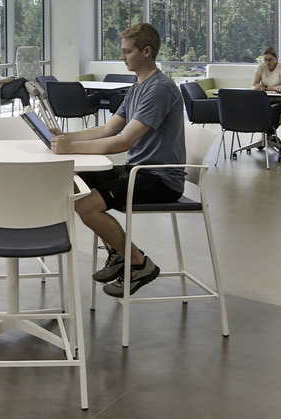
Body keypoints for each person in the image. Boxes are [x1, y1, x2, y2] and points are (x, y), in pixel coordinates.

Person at [51, 23, 185, 297]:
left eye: (127, 52)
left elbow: (123, 141)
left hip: (159, 178)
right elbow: (106, 129)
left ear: (146, 52)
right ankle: (119, 252)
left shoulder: (160, 89)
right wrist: (66, 136)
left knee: (87, 206)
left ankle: (139, 263)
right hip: (137, 171)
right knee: (74, 184)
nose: (122, 57)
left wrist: (70, 148)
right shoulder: (137, 88)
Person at [253, 47, 281, 146]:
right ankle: (271, 137)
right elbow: (255, 83)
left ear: (276, 59)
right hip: (265, 99)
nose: (267, 62)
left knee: (274, 111)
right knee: (257, 108)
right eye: (265, 60)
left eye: (270, 60)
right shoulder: (261, 67)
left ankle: (270, 136)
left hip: (280, 99)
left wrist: (265, 87)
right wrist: (257, 86)